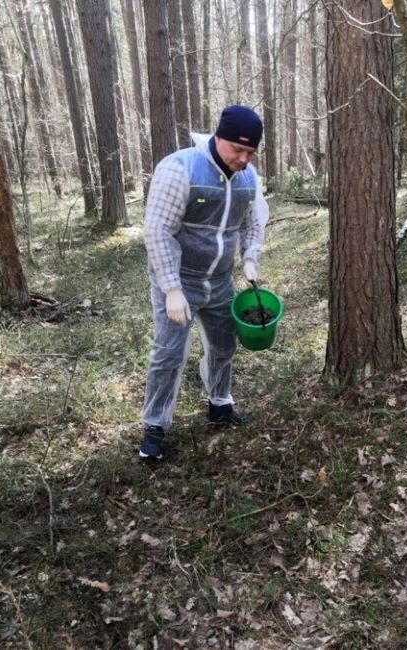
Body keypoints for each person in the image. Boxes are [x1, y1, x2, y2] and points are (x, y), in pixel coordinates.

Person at [139, 104, 269, 459]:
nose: (243, 158)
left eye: (250, 152)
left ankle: (220, 404)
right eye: (237, 149)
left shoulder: (247, 178)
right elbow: (158, 230)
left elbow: (252, 223)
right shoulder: (179, 169)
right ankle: (154, 425)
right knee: (169, 354)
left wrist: (251, 258)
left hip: (220, 281)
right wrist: (172, 289)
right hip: (180, 281)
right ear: (218, 137)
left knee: (224, 346)